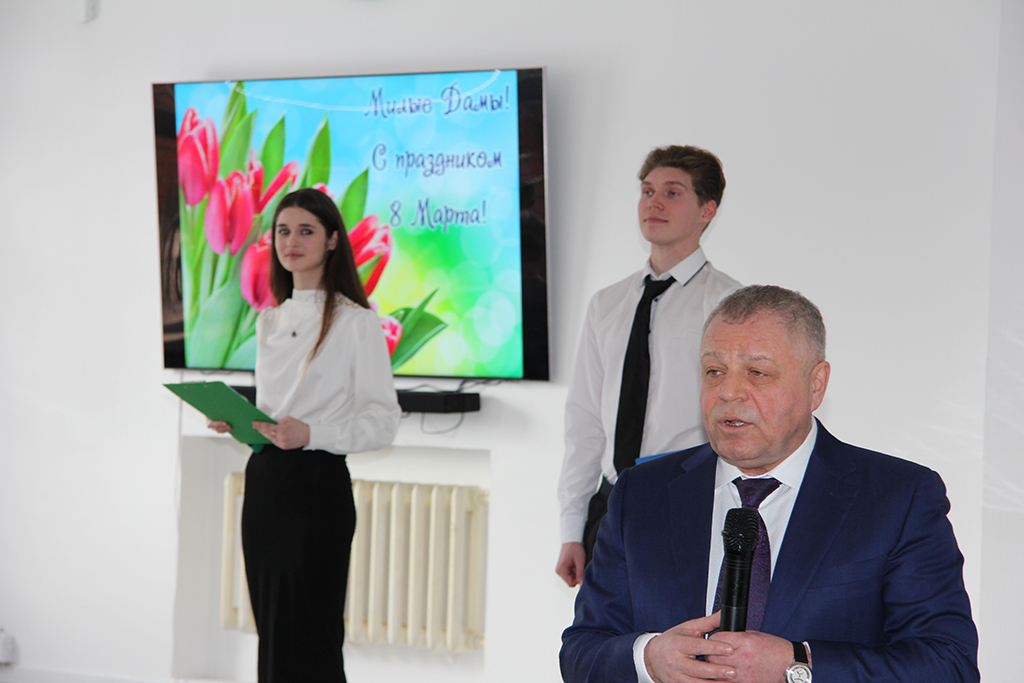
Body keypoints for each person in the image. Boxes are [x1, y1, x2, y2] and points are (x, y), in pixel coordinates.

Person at [560, 285, 979, 683]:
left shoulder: (898, 498)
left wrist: (796, 664)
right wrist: (649, 658)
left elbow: (947, 664)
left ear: (816, 385)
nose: (728, 392)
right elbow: (582, 651)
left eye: (757, 373)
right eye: (713, 371)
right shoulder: (640, 494)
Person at [209, 188, 401, 682]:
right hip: (266, 483)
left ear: (333, 240)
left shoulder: (358, 323)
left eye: (306, 231)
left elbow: (383, 421)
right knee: (273, 630)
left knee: (312, 635)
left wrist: (312, 432)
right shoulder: (268, 319)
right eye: (282, 231)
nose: (291, 242)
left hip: (317, 490)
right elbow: (277, 418)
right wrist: (242, 422)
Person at [556, 145, 740, 587]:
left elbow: (737, 414)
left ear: (707, 210)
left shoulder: (728, 304)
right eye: (647, 191)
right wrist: (571, 528)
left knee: (681, 628)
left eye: (672, 193)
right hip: (611, 504)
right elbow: (584, 419)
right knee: (601, 629)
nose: (654, 203)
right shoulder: (607, 304)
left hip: (690, 503)